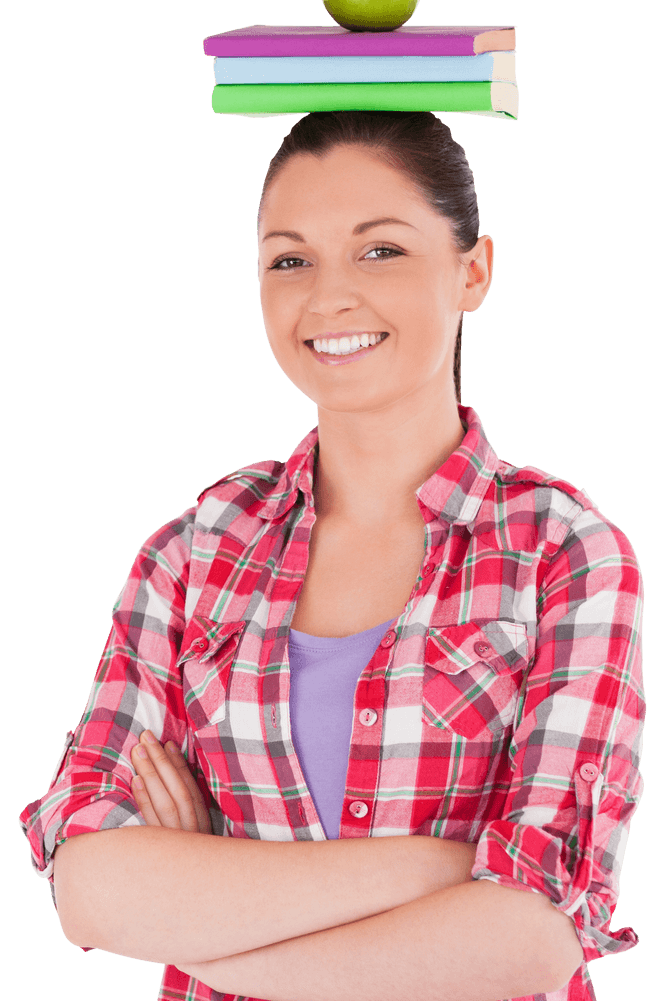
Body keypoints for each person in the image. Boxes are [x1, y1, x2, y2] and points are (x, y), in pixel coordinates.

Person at [19, 110, 646, 1001]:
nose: (327, 297)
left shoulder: (564, 555)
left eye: (380, 250)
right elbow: (90, 891)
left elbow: (532, 937)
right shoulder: (195, 551)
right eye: (289, 258)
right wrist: (450, 869)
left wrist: (205, 901)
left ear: (474, 270)